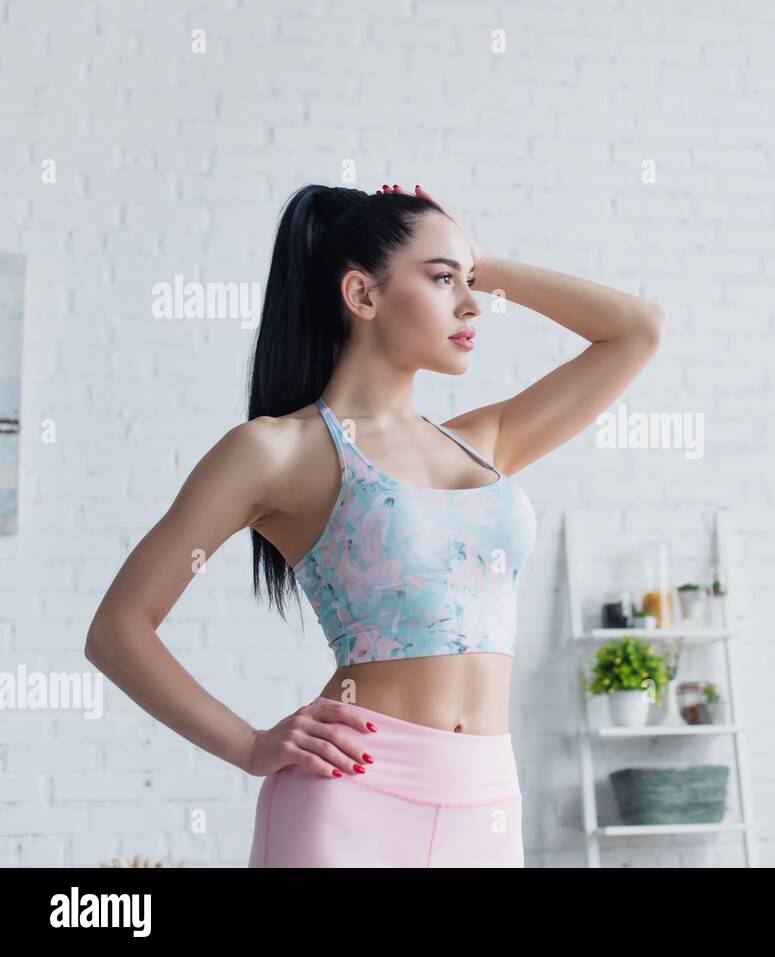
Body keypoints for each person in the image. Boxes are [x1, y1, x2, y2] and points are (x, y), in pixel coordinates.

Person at [84, 183, 665, 866]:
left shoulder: (485, 440)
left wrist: (478, 258)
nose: (473, 302)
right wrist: (248, 744)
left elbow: (638, 330)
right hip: (352, 795)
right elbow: (118, 630)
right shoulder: (276, 451)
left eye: (470, 282)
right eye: (444, 279)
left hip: (488, 802)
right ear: (363, 295)